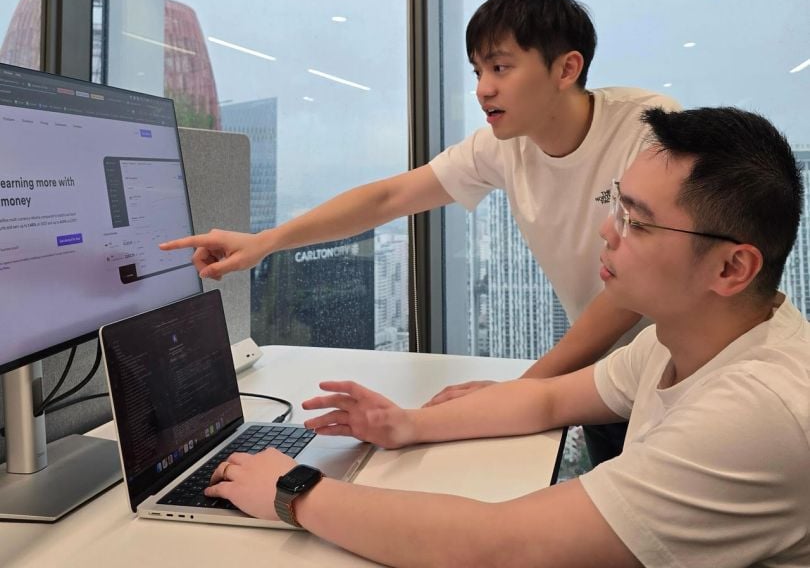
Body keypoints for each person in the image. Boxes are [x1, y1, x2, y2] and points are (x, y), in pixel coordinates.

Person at [204, 107, 809, 567]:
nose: (606, 230)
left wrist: (295, 493)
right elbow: (547, 398)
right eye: (614, 206)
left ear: (732, 269)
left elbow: (502, 548)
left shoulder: (755, 407)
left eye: (636, 220)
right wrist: (405, 425)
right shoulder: (686, 337)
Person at [160, 0, 679, 466]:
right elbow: (389, 197)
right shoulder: (502, 147)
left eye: (500, 68)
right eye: (477, 71)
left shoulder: (648, 128)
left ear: (566, 69)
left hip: (682, 371)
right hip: (599, 380)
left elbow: (629, 292)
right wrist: (266, 242)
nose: (482, 89)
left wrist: (525, 388)